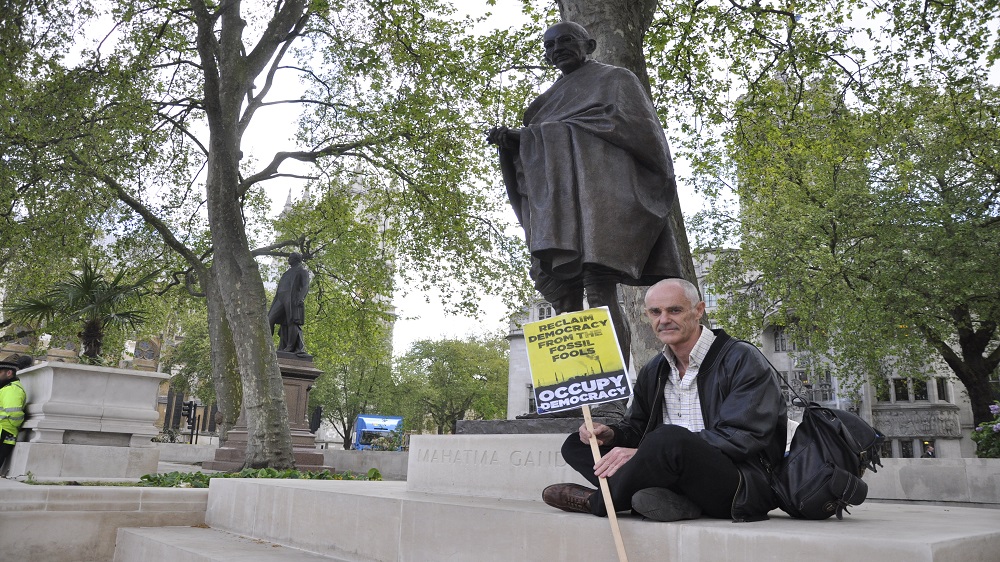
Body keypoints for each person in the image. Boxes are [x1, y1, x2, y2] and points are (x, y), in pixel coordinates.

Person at [487, 21, 684, 367]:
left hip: (600, 205)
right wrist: (516, 142)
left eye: (565, 41)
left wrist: (534, 136)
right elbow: (532, 160)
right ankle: (568, 389)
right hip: (557, 213)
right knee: (563, 298)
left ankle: (611, 395)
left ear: (589, 45)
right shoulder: (542, 104)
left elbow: (639, 133)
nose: (556, 49)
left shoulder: (617, 80)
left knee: (599, 290)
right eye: (549, 45)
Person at [541, 279, 787, 522]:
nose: (664, 320)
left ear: (699, 310)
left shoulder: (742, 358)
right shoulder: (655, 369)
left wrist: (646, 454)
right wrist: (612, 435)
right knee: (577, 444)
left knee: (669, 437)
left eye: (675, 310)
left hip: (739, 484)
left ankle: (598, 502)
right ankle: (675, 501)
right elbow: (637, 427)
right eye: (655, 312)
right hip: (670, 470)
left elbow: (743, 436)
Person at [268, 252, 310, 355]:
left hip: (292, 298)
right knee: (269, 319)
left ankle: (290, 346)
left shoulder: (302, 271)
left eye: (290, 257)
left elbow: (305, 286)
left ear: (296, 259)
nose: (288, 259)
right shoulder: (286, 273)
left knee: (292, 321)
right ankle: (267, 344)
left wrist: (301, 298)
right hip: (280, 298)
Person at [0, 355, 30, 474]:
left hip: (5, 433)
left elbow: (15, 414)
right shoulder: (6, 388)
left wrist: (15, 425)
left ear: (9, 373)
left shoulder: (12, 389)